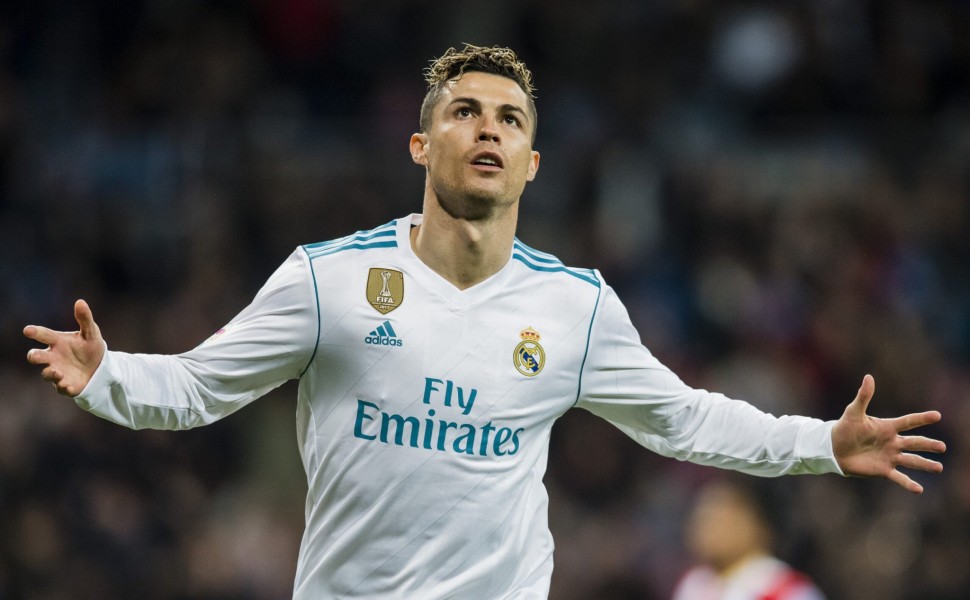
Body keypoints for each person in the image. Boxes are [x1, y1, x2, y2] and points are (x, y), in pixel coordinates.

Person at [23, 44, 945, 599]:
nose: (488, 129)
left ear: (534, 162)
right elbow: (194, 387)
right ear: (424, 144)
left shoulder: (575, 308)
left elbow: (686, 418)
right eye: (465, 112)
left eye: (509, 118)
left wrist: (824, 442)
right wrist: (108, 378)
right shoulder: (329, 280)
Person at [672, 478, 826, 600]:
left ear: (753, 522)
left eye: (717, 519)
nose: (704, 528)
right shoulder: (693, 584)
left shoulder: (785, 589)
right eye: (700, 519)